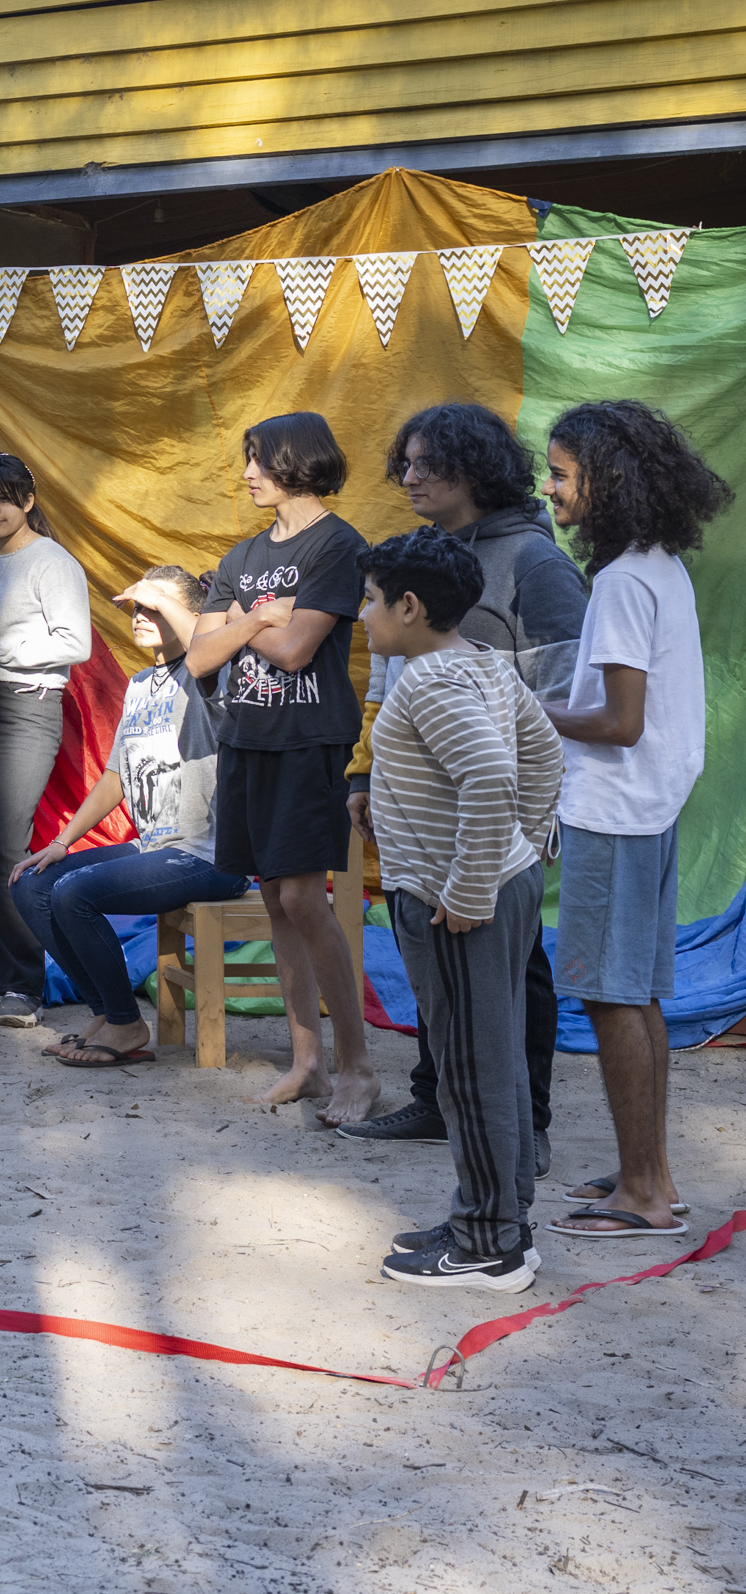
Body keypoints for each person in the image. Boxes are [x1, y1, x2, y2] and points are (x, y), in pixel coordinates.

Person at [339, 401, 588, 1158]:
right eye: (404, 463)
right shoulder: (418, 556)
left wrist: (525, 819)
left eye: (424, 463)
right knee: (435, 959)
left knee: (517, 965)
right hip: (419, 814)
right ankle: (438, 1100)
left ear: (473, 467)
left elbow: (571, 693)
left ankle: (526, 1126)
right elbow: (384, 678)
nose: (408, 477)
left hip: (495, 813)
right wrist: (364, 774)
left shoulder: (536, 564)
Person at [537, 400, 730, 1242]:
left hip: (612, 810)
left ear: (606, 480)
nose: (549, 489)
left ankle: (645, 1192)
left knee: (611, 999)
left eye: (561, 473)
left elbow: (618, 721)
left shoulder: (618, 582)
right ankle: (650, 1170)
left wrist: (531, 709)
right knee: (640, 995)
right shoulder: (659, 566)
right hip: (649, 808)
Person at [357, 526, 561, 1291]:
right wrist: (527, 843)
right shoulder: (479, 664)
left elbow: (486, 772)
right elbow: (542, 752)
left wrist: (473, 888)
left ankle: (487, 1245)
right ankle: (498, 1216)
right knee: (495, 1058)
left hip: (458, 907)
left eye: (372, 600)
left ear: (410, 607)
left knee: (469, 1071)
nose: (363, 613)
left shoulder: (428, 682)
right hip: (498, 887)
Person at [184, 411, 380, 1125]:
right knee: (274, 902)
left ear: (298, 461)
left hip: (308, 740)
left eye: (258, 460)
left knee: (303, 898)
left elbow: (300, 652)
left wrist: (246, 622)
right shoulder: (240, 557)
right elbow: (200, 658)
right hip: (247, 739)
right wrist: (262, 618)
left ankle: (358, 1067)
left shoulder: (339, 545)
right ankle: (309, 1064)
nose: (247, 475)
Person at [9, 565, 251, 1066]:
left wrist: (173, 606)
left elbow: (205, 651)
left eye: (153, 607)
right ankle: (108, 1013)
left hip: (209, 857)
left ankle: (124, 1023)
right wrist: (61, 843)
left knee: (74, 894)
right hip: (154, 848)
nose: (140, 616)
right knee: (32, 884)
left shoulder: (213, 674)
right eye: (138, 607)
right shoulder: (140, 685)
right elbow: (116, 778)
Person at [0, 452, 92, 1025]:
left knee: (7, 845)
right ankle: (4, 974)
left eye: (3, 498)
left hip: (28, 708)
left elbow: (74, 643)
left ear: (28, 502)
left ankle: (27, 986)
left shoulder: (53, 562)